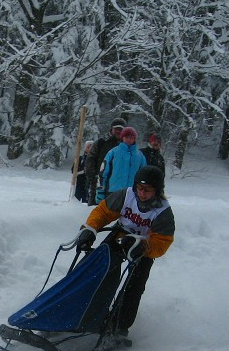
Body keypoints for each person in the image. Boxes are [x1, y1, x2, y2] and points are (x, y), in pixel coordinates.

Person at [75, 165, 175, 336]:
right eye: (139, 188)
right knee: (92, 269)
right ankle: (76, 310)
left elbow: (162, 242)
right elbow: (103, 212)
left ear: (157, 191)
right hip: (119, 236)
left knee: (134, 286)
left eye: (147, 190)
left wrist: (143, 247)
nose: (142, 194)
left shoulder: (163, 211)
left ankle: (118, 327)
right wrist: (89, 230)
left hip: (143, 249)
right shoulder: (126, 195)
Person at [85, 118, 126, 205]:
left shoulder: (127, 146)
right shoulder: (101, 143)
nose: (118, 131)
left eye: (121, 129)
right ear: (111, 129)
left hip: (118, 185)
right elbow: (90, 160)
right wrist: (93, 178)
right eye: (116, 129)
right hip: (99, 183)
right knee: (95, 208)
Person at [100, 127, 146, 202]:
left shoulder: (140, 155)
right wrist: (100, 191)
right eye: (126, 137)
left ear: (135, 139)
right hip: (114, 191)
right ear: (122, 138)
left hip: (133, 193)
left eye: (131, 137)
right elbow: (103, 172)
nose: (129, 139)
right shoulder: (113, 152)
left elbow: (144, 174)